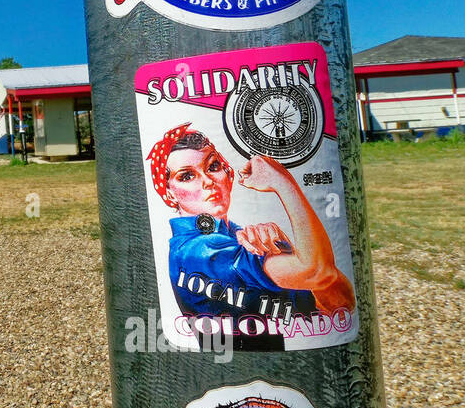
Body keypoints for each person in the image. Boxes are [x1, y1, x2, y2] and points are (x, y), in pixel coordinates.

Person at [147, 123, 354, 350]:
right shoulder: (197, 250)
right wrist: (284, 184)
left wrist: (290, 253)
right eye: (187, 176)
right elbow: (318, 272)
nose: (207, 181)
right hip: (233, 372)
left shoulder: (237, 235)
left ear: (227, 172)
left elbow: (341, 305)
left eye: (212, 166)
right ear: (170, 193)